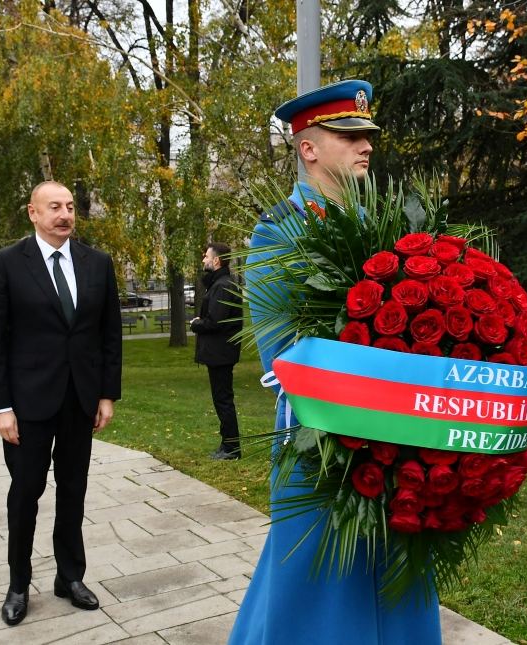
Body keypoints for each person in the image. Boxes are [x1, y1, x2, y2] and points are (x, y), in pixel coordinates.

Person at [228, 80, 442, 645]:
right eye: (349, 136)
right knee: (316, 583)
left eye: (367, 135)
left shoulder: (384, 226)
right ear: (309, 149)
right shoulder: (280, 231)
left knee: (394, 574)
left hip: (398, 435)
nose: (365, 145)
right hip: (321, 442)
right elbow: (283, 358)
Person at [0, 181, 122, 626]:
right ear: (33, 213)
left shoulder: (97, 263)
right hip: (27, 406)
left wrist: (106, 393)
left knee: (73, 491)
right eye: (54, 206)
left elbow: (109, 334)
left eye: (70, 206)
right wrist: (0, 407)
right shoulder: (5, 265)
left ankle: (69, 577)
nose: (65, 214)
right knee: (25, 494)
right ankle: (18, 584)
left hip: (80, 400)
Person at [190, 242, 243, 460]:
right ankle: (227, 444)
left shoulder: (223, 286)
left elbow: (215, 322)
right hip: (221, 353)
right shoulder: (220, 284)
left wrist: (196, 324)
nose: (203, 259)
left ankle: (231, 448)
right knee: (222, 399)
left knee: (223, 400)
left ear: (216, 260)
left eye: (206, 256)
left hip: (221, 353)